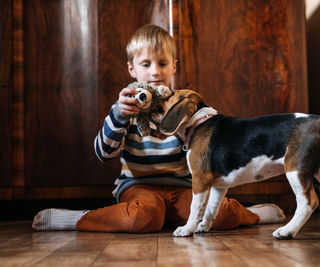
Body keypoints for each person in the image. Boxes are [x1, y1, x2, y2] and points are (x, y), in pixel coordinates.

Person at [32, 24, 285, 233]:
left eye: (162, 63)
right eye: (145, 64)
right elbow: (103, 153)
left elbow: (206, 148)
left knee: (218, 216)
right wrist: (118, 115)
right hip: (138, 187)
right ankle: (79, 219)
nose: (155, 72)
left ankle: (250, 214)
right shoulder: (126, 108)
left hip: (184, 187)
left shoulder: (185, 106)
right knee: (142, 217)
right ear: (132, 69)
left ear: (174, 66)